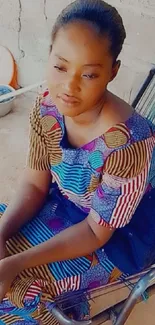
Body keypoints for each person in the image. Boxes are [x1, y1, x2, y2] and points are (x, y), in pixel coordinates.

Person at [0, 0, 155, 323]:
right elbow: (33, 183)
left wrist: (15, 263)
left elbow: (97, 233)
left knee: (23, 295)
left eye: (89, 74)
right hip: (63, 204)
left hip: (110, 239)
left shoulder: (129, 144)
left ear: (113, 71)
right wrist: (1, 236)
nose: (68, 87)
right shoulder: (46, 107)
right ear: (49, 57)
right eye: (60, 67)